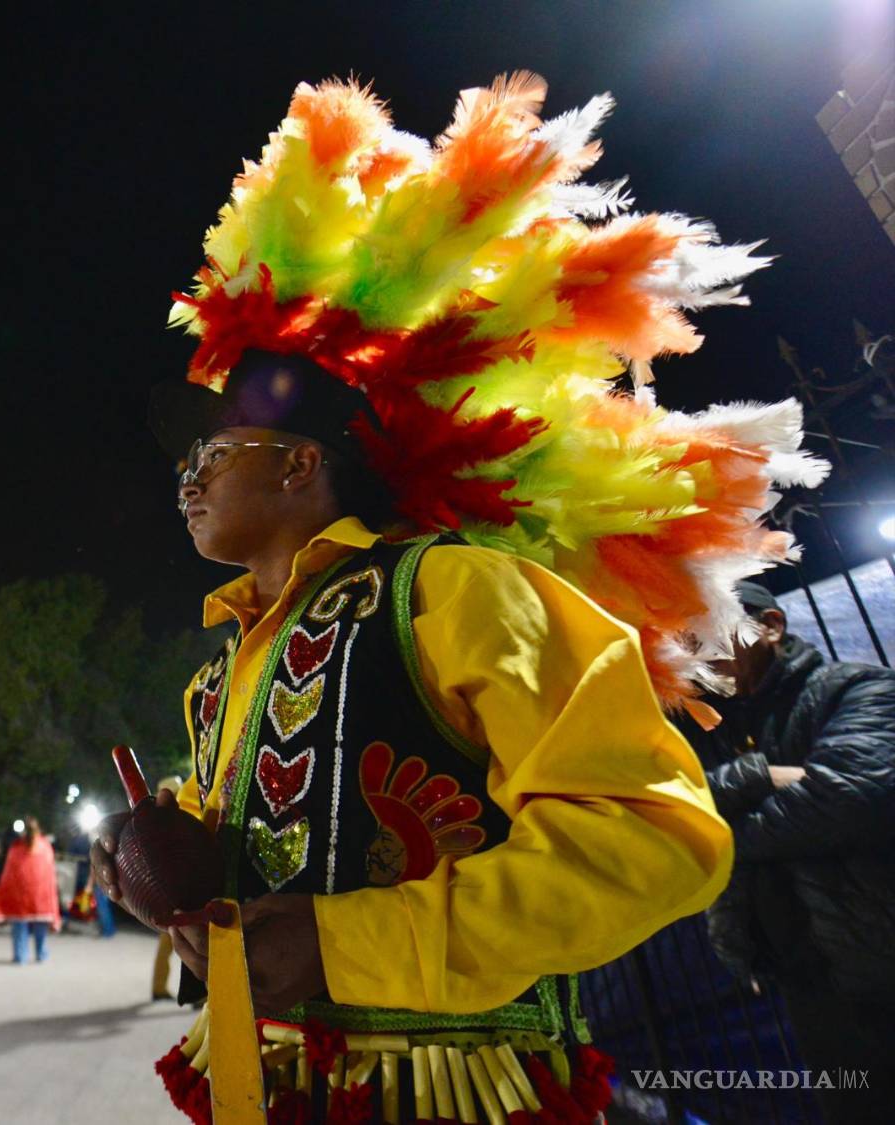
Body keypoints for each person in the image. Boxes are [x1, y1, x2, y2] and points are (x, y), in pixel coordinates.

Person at [85, 72, 825, 1119]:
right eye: (182, 466)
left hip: (449, 1093)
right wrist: (163, 852)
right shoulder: (223, 668)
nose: (187, 478)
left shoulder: (450, 587)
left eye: (214, 450)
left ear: (301, 466)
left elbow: (655, 836)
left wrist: (347, 944)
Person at [697, 580, 895, 1120]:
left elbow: (851, 797)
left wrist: (718, 831)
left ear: (771, 626)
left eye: (706, 631)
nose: (695, 654)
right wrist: (763, 774)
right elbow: (673, 810)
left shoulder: (856, 687)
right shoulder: (712, 729)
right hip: (806, 983)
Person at [0, 816, 60, 963]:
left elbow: (9, 872)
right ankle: (41, 953)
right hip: (40, 895)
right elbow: (50, 872)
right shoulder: (45, 846)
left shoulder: (16, 847)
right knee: (40, 925)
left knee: (19, 924)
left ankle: (20, 955)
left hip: (20, 894)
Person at [149, 775, 183, 1002]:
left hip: (166, 893)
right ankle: (199, 994)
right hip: (179, 892)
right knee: (192, 940)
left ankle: (159, 987)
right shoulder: (178, 820)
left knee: (169, 942)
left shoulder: (152, 822)